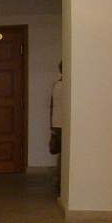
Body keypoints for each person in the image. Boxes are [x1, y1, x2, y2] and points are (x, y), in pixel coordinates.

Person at [50, 61, 63, 195]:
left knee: (61, 154)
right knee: (64, 155)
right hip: (64, 124)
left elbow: (52, 105)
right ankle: (61, 181)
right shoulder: (66, 86)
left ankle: (59, 180)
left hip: (56, 123)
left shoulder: (56, 85)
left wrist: (51, 126)